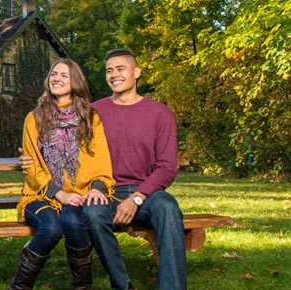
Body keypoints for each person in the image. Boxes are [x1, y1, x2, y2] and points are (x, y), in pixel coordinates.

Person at [20, 49, 185, 290]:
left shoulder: (160, 113)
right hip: (104, 192)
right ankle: (122, 285)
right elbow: (54, 136)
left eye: (121, 69)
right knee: (93, 214)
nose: (114, 74)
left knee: (169, 208)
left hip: (146, 193)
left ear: (136, 72)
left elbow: (167, 168)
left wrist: (137, 198)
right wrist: (28, 157)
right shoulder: (91, 112)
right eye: (109, 70)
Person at [10, 58, 115, 290]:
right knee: (52, 228)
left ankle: (83, 287)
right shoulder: (34, 119)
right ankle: (19, 287)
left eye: (64, 75)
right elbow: (32, 167)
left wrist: (97, 187)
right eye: (53, 74)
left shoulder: (91, 118)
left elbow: (101, 160)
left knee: (74, 222)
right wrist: (60, 194)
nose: (56, 78)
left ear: (75, 82)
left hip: (78, 194)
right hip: (40, 194)